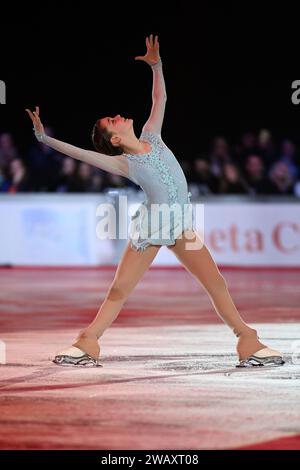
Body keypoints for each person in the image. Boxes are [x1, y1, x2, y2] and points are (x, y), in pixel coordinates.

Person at [26, 35, 284, 368]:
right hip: (152, 227)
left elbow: (160, 97)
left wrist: (156, 66)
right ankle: (87, 342)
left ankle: (247, 341)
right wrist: (44, 138)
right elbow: (83, 155)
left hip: (180, 226)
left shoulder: (152, 134)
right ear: (115, 139)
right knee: (120, 289)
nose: (118, 115)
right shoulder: (125, 163)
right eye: (112, 121)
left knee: (215, 281)